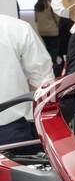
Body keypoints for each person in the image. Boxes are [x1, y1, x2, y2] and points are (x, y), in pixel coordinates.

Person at [0, 10, 54, 145]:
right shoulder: (16, 28)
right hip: (11, 128)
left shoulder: (17, 28)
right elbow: (42, 79)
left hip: (11, 128)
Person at [34, 0, 60, 66]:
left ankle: (49, 63)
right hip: (53, 31)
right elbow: (57, 18)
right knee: (54, 49)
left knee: (48, 48)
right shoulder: (51, 5)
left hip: (41, 31)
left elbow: (36, 19)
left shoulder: (37, 5)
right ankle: (53, 65)